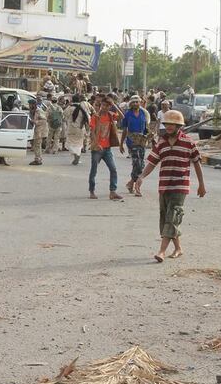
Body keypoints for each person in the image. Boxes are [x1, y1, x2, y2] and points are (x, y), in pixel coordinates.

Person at [135, 110, 207, 262]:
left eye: (172, 125)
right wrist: (141, 177)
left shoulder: (188, 143)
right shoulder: (161, 144)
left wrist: (201, 184)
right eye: (167, 124)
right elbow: (152, 163)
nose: (168, 127)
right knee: (167, 218)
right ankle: (178, 248)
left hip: (180, 187)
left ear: (179, 126)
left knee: (172, 217)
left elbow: (197, 164)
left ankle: (161, 251)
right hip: (164, 187)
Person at [88, 96, 123, 200]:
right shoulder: (96, 116)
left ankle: (113, 191)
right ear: (101, 105)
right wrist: (96, 143)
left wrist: (115, 106)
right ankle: (92, 191)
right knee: (94, 170)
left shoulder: (110, 115)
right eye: (104, 105)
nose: (105, 107)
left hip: (107, 149)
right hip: (97, 149)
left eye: (108, 106)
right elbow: (93, 131)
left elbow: (122, 117)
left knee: (113, 169)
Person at [119, 95, 150, 196]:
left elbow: (146, 128)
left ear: (140, 103)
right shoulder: (128, 115)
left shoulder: (143, 113)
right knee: (137, 163)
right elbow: (124, 130)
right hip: (132, 141)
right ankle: (137, 187)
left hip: (141, 140)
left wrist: (150, 137)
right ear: (131, 104)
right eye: (134, 102)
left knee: (141, 164)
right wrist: (121, 143)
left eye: (137, 102)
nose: (136, 104)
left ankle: (131, 182)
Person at [65, 94, 90, 165]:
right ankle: (77, 155)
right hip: (80, 128)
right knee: (79, 143)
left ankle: (76, 155)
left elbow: (64, 115)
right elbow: (87, 118)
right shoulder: (83, 108)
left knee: (70, 143)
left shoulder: (69, 108)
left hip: (71, 128)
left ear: (72, 100)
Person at [29, 99, 47, 166]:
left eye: (30, 104)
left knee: (37, 145)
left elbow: (44, 120)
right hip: (36, 130)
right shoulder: (33, 111)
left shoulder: (39, 111)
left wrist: (35, 122)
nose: (29, 106)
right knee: (36, 145)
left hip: (40, 130)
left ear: (34, 104)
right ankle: (38, 159)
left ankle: (38, 159)